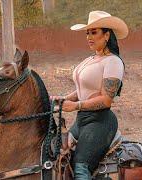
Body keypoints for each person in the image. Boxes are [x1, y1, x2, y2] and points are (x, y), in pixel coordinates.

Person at [50, 11, 128, 179]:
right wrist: (64, 99)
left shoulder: (113, 62)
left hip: (100, 122)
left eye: (94, 32)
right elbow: (83, 90)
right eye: (87, 33)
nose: (89, 37)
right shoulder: (90, 59)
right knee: (59, 155)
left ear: (106, 35)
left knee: (80, 167)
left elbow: (106, 100)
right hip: (82, 121)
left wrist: (75, 106)